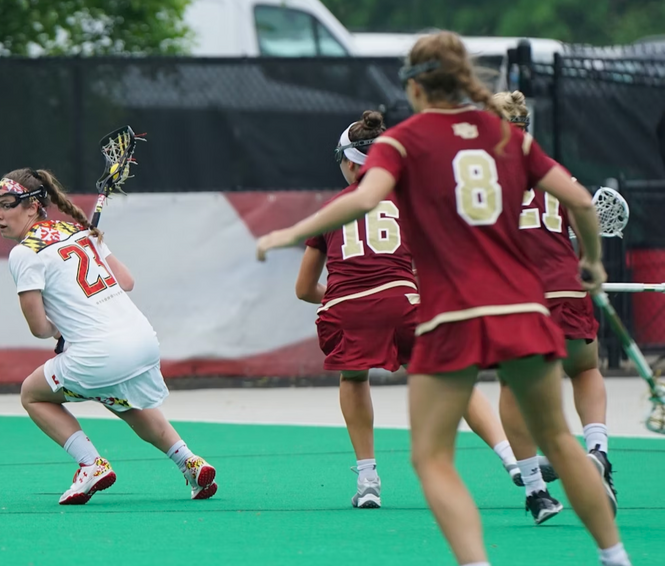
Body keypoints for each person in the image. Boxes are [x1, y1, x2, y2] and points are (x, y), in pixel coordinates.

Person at [257, 31, 630, 566]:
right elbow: (577, 199)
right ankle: (615, 556)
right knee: (560, 440)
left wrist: (287, 236)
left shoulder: (403, 141)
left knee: (432, 456)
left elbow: (362, 198)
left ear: (414, 84)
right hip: (523, 309)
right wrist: (591, 261)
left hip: (453, 312)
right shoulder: (507, 136)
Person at [297, 110, 525, 508]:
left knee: (354, 379)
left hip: (346, 309)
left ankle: (368, 480)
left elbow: (303, 290)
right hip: (403, 301)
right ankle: (513, 460)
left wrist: (343, 295)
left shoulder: (329, 209)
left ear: (351, 162)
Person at [0, 168, 217, 504]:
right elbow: (126, 281)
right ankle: (190, 463)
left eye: (7, 205)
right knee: (122, 401)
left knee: (32, 394)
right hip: (143, 341)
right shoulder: (79, 230)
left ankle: (90, 464)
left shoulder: (24, 254)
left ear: (34, 205)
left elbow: (39, 329)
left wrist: (58, 330)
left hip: (101, 354)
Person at [492, 90, 617, 524]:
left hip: (515, 298)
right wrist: (591, 261)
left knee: (511, 387)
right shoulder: (554, 170)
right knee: (584, 369)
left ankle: (537, 492)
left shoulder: (478, 175)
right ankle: (598, 450)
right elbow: (584, 208)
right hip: (566, 289)